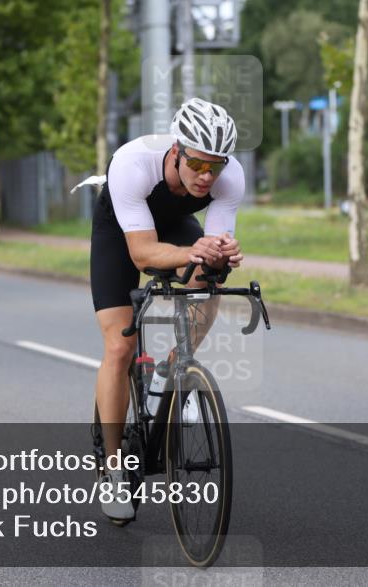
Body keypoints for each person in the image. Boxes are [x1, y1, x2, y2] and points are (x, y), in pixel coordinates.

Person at [90, 98, 245, 521]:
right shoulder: (132, 164)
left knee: (209, 278)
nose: (206, 176)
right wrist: (190, 253)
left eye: (216, 166)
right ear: (176, 150)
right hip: (121, 231)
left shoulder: (229, 177)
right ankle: (113, 468)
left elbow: (208, 254)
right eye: (196, 164)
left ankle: (177, 365)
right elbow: (141, 255)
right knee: (121, 347)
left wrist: (220, 254)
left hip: (174, 227)